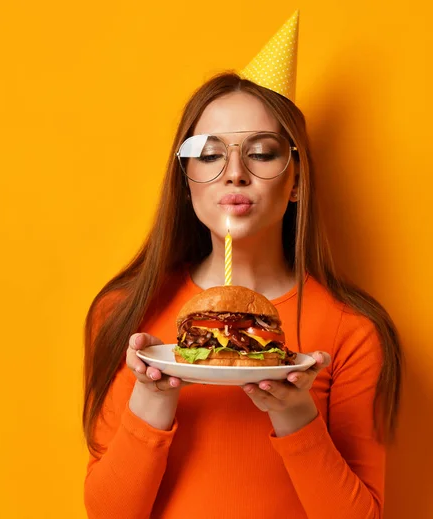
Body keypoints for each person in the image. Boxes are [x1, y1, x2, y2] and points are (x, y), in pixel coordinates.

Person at [82, 13, 402, 519]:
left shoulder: (351, 332)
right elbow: (109, 513)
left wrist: (296, 415)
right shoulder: (126, 313)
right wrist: (152, 401)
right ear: (185, 180)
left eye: (261, 153)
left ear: (296, 181)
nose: (234, 173)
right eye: (208, 156)